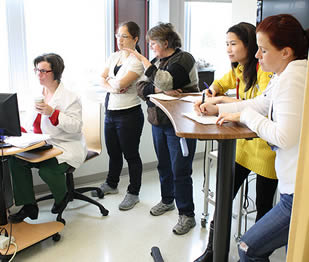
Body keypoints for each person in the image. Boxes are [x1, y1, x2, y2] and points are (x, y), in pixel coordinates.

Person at [195, 14, 309, 261]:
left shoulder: (293, 79)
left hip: (298, 192)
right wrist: (221, 110)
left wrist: (244, 114)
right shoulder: (284, 74)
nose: (258, 56)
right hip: (294, 186)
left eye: (263, 50)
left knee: (249, 247)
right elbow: (260, 102)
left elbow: (284, 136)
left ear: (286, 52)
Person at [193, 22, 278, 262]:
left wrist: (220, 100)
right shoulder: (239, 69)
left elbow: (262, 105)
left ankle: (258, 255)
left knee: (264, 210)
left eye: (233, 44)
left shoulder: (265, 71)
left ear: (249, 45)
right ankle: (212, 251)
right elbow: (220, 83)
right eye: (226, 44)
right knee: (223, 200)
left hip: (265, 149)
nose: (228, 49)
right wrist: (213, 92)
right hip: (241, 146)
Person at [127, 22, 199, 235]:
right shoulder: (158, 61)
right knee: (164, 166)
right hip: (159, 121)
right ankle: (168, 200)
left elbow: (167, 82)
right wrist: (156, 88)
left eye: (153, 43)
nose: (150, 48)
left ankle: (187, 215)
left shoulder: (184, 59)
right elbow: (140, 88)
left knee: (180, 171)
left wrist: (145, 65)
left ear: (165, 43)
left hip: (180, 124)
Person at [8, 53, 87, 223]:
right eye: (37, 70)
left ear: (56, 72)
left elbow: (76, 127)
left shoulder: (70, 97)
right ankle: (29, 206)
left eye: (44, 71)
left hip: (64, 145)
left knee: (47, 170)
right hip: (39, 144)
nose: (39, 74)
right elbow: (31, 123)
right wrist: (17, 131)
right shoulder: (36, 93)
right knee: (15, 161)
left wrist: (53, 113)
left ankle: (62, 197)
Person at [90, 21, 145, 211]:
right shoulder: (114, 56)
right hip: (111, 111)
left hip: (129, 114)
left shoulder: (137, 61)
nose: (119, 40)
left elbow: (120, 84)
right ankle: (112, 184)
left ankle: (133, 192)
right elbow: (103, 80)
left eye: (124, 36)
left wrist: (112, 83)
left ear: (135, 39)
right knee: (113, 152)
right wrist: (111, 84)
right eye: (117, 36)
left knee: (131, 155)